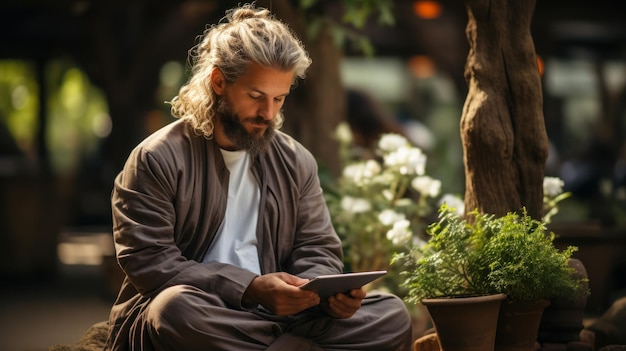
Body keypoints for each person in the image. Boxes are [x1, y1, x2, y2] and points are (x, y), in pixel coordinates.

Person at [104, 3, 412, 351]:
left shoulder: (296, 161)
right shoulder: (156, 158)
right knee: (173, 309)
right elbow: (151, 262)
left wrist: (320, 294)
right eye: (256, 96)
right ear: (218, 81)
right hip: (209, 312)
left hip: (280, 318)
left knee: (392, 314)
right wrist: (249, 287)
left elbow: (317, 247)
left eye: (279, 98)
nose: (268, 113)